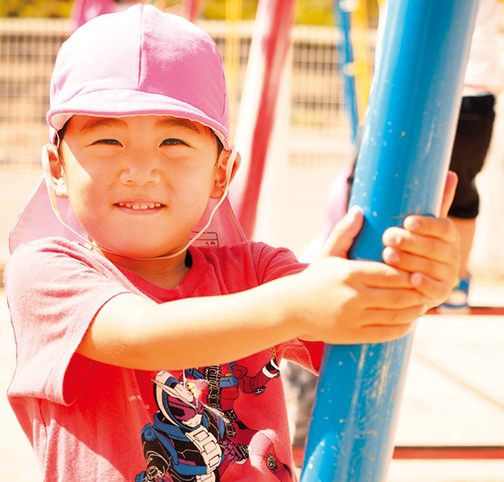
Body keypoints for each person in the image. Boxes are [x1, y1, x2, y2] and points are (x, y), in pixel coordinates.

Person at [4, 5, 460, 482]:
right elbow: (142, 334)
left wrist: (416, 272)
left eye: (173, 143)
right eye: (107, 142)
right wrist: (296, 305)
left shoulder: (257, 272)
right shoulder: (45, 272)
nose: (140, 169)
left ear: (221, 173)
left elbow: (358, 319)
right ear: (57, 168)